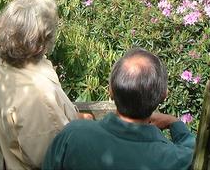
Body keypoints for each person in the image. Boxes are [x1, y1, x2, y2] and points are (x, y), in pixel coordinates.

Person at [43, 48, 196, 170]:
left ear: (110, 91)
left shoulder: (73, 135)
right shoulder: (175, 159)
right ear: (163, 96)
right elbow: (198, 154)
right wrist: (175, 123)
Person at [0, 0, 91, 170]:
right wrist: (84, 129)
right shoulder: (38, 96)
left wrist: (74, 118)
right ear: (39, 44)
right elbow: (51, 158)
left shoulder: (5, 59)